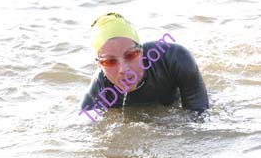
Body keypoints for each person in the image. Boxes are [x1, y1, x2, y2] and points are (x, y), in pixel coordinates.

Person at [80, 13, 209, 121]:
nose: (123, 69)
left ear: (141, 51)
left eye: (130, 55)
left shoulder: (175, 59)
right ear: (99, 65)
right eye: (110, 62)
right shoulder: (100, 91)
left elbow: (200, 118)